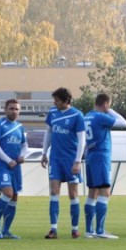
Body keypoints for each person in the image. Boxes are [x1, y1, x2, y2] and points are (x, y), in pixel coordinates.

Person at [41, 87, 85, 239]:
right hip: (55, 159)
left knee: (73, 194)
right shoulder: (52, 113)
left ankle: (75, 229)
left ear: (66, 100)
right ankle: (53, 229)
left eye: (57, 100)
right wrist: (44, 153)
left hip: (71, 160)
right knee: (54, 192)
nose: (55, 103)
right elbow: (48, 132)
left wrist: (78, 161)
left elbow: (81, 140)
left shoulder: (77, 115)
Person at [83, 93, 126, 239]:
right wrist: (109, 110)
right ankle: (100, 231)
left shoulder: (87, 116)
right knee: (105, 192)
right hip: (101, 156)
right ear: (105, 103)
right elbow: (123, 123)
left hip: (90, 155)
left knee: (92, 193)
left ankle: (89, 230)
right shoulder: (100, 116)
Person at [0, 98, 27, 239]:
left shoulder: (19, 127)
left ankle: (6, 231)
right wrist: (8, 160)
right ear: (5, 110)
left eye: (17, 109)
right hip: (2, 165)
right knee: (8, 192)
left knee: (14, 196)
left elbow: (24, 145)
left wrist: (22, 155)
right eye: (11, 108)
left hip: (15, 166)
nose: (14, 111)